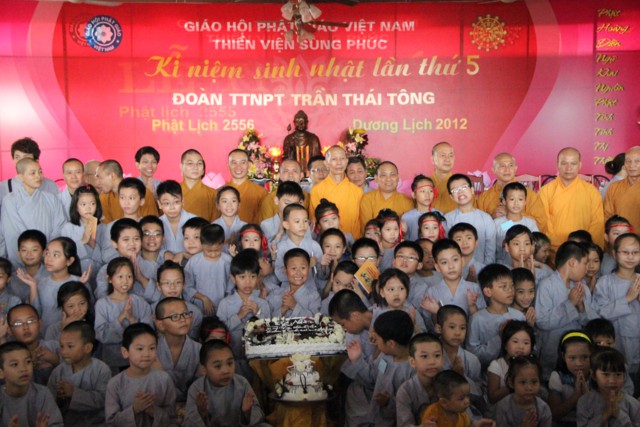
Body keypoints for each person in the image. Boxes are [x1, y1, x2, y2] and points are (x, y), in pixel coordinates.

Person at [535, 241, 597, 378]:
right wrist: (569, 304)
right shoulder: (546, 286)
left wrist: (581, 308)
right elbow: (542, 322)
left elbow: (591, 324)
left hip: (577, 353)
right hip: (552, 351)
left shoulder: (582, 288)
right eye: (585, 263)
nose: (587, 268)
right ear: (572, 262)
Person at [347, 310, 415, 426]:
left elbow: (409, 404)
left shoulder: (412, 368)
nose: (375, 342)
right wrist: (357, 360)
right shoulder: (385, 357)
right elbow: (371, 378)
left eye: (377, 339)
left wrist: (388, 402)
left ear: (391, 343)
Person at [104, 323, 178, 426]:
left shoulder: (164, 379)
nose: (146, 354)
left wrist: (153, 411)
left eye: (152, 348)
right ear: (125, 352)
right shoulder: (115, 383)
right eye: (140, 349)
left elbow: (172, 418)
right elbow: (111, 423)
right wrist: (134, 409)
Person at [183, 339, 268, 426]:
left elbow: (258, 414)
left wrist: (247, 413)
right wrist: (202, 414)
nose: (226, 370)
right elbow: (189, 422)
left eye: (230, 363)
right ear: (204, 369)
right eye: (218, 366)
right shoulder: (197, 388)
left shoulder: (242, 383)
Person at [215, 249, 270, 379]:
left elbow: (269, 332)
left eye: (252, 277)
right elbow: (219, 333)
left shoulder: (262, 304)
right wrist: (238, 316)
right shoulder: (225, 304)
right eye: (242, 277)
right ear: (233, 278)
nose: (248, 282)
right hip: (232, 359)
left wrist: (258, 314)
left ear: (258, 277)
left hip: (258, 360)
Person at [593, 233, 640, 381]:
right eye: (625, 252)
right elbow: (599, 314)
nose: (630, 256)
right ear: (614, 254)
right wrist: (627, 299)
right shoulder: (605, 282)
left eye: (635, 252)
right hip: (614, 345)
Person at [1, 158, 66, 264]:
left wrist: (46, 250)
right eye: (33, 173)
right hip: (21, 257)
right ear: (21, 177)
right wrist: (32, 249)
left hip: (47, 256)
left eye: (40, 172)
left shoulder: (51, 198)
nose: (38, 176)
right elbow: (13, 230)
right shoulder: (10, 200)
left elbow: (59, 226)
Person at [47, 321, 111, 426]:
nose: (64, 351)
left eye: (70, 346)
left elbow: (103, 399)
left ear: (87, 348)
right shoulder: (58, 372)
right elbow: (50, 403)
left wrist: (74, 393)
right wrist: (60, 398)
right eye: (62, 346)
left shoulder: (102, 370)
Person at [94, 257, 153, 371]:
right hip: (111, 361)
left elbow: (148, 333)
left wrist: (132, 319)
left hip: (138, 360)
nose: (125, 281)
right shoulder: (102, 304)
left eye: (129, 276)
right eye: (120, 277)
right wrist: (121, 317)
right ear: (109, 279)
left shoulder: (140, 302)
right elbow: (101, 335)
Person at [538, 147, 604, 249]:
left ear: (580, 165)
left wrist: (585, 248)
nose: (568, 168)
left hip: (584, 250)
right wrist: (558, 248)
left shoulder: (591, 191)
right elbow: (543, 223)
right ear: (557, 165)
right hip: (554, 251)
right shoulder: (545, 191)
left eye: (573, 163)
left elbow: (597, 224)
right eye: (564, 163)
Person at [328, 289, 376, 427]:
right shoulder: (353, 332)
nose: (344, 329)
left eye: (343, 324)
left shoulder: (384, 326)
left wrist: (358, 361)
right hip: (360, 391)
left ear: (355, 316)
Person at [467, 264, 525, 368]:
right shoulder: (478, 319)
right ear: (488, 291)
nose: (510, 290)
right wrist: (499, 337)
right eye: (504, 286)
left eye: (512, 285)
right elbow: (473, 355)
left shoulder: (519, 316)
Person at [476, 152, 547, 231]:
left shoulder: (529, 194)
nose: (507, 170)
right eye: (502, 166)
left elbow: (541, 223)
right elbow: (478, 227)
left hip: (522, 237)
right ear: (493, 170)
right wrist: (491, 217)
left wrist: (513, 214)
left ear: (515, 169)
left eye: (510, 165)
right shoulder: (484, 198)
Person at [0, 341, 63, 427]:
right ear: (1, 372)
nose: (23, 369)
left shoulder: (42, 394)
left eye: (28, 361)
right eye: (15, 364)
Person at [421, 239, 486, 318]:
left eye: (455, 260)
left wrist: (472, 307)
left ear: (462, 261)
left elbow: (482, 320)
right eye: (444, 262)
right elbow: (429, 322)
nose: (451, 266)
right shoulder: (431, 292)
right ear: (437, 267)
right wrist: (436, 312)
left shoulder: (474, 288)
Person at [153, 297, 201, 403]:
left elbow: (201, 388)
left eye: (185, 314)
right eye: (174, 316)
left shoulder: (200, 350)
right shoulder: (152, 351)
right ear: (160, 324)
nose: (183, 319)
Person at [576, 347, 640, 426]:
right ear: (593, 375)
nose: (612, 380)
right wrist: (603, 417)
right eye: (606, 374)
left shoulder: (633, 404)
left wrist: (620, 415)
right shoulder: (585, 402)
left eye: (618, 374)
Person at [310, 145, 363, 239]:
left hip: (352, 241)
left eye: (342, 158)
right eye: (334, 159)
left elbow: (360, 221)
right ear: (326, 163)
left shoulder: (357, 191)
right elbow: (314, 221)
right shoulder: (317, 190)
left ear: (346, 161)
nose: (339, 163)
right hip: (327, 241)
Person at [445, 174, 497, 264]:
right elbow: (447, 249)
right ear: (451, 197)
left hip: (483, 269)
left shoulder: (486, 218)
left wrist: (484, 269)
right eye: (455, 190)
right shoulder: (448, 219)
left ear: (472, 190)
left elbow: (490, 251)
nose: (460, 192)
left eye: (464, 187)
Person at [434, 305, 482, 403]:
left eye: (462, 328)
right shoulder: (430, 357)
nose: (457, 333)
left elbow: (479, 393)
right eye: (452, 327)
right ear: (439, 328)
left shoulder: (472, 360)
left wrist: (462, 377)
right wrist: (453, 378)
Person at [396, 332, 444, 426]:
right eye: (424, 356)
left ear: (443, 358)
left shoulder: (450, 383)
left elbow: (465, 415)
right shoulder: (405, 391)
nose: (432, 362)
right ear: (412, 361)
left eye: (437, 355)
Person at [184, 224, 233, 316]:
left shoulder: (227, 261)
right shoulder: (194, 261)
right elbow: (187, 286)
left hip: (222, 305)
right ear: (202, 244)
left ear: (222, 244)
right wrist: (204, 298)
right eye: (209, 251)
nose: (213, 254)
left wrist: (225, 302)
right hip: (199, 304)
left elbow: (231, 286)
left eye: (217, 250)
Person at [6, 303, 59, 385]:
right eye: (18, 324)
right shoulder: (7, 355)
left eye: (30, 321)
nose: (25, 327)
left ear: (40, 324)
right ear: (9, 330)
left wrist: (55, 360)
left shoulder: (54, 346)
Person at [0, 137, 60, 209]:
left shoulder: (50, 185)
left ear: (36, 161)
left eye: (25, 157)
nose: (20, 161)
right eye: (17, 157)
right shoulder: (3, 187)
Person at [548, 331, 592, 424]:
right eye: (572, 358)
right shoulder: (557, 377)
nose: (579, 363)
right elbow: (554, 415)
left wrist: (587, 395)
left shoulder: (597, 376)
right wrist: (576, 395)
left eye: (584, 357)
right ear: (563, 357)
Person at [487, 320, 535, 406]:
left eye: (526, 343)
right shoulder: (497, 365)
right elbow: (492, 398)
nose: (521, 346)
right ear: (505, 345)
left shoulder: (533, 366)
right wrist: (513, 385)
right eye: (515, 341)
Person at [495, 356, 552, 427]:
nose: (529, 388)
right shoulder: (503, 407)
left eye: (534, 382)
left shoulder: (543, 409)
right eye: (523, 382)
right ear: (511, 383)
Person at [152, 260, 203, 340]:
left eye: (178, 282)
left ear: (184, 284)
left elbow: (193, 342)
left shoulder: (195, 312)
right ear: (158, 286)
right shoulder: (151, 310)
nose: (172, 287)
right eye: (166, 283)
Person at [60, 185, 103, 275]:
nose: (88, 208)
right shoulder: (67, 228)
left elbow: (106, 256)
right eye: (83, 204)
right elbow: (65, 255)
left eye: (92, 204)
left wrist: (93, 245)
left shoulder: (103, 227)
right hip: (76, 273)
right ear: (76, 207)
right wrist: (83, 241)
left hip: (99, 273)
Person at [359, 161, 414, 231]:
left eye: (392, 175)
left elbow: (408, 229)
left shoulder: (407, 201)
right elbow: (367, 228)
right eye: (383, 175)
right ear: (376, 178)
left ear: (398, 177)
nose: (388, 179)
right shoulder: (368, 198)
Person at [273, 203, 322, 282]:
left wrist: (316, 264)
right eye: (297, 221)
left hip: (310, 287)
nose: (302, 225)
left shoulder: (314, 246)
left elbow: (322, 275)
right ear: (286, 224)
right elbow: (279, 273)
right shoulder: (282, 247)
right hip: (288, 287)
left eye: (305, 221)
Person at [494, 182, 540, 264]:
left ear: (525, 202)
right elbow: (491, 248)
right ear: (504, 201)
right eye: (512, 199)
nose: (516, 203)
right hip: (502, 266)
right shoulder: (496, 224)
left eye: (520, 199)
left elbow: (536, 247)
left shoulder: (531, 224)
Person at [268, 248, 321, 317]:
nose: (298, 272)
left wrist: (294, 306)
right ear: (285, 270)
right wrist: (283, 309)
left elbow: (316, 319)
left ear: (308, 269)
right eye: (293, 268)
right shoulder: (275, 295)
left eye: (303, 268)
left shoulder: (314, 296)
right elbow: (266, 319)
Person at [604, 147, 640, 234]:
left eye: (637, 161)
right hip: (619, 239)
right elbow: (607, 216)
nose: (632, 165)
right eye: (628, 161)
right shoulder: (614, 187)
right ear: (624, 165)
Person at [226, 149, 267, 224]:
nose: (238, 167)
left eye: (243, 162)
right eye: (234, 163)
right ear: (228, 166)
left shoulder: (261, 192)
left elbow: (264, 221)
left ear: (249, 165)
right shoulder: (219, 192)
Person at [157, 180, 196, 255]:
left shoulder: (194, 220)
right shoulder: (157, 223)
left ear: (182, 201)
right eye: (167, 203)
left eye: (176, 202)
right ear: (159, 204)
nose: (172, 208)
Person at [179, 149, 218, 222]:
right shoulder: (172, 192)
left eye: (199, 163)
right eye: (190, 163)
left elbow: (215, 223)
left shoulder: (213, 194)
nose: (195, 167)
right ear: (181, 167)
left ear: (203, 169)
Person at [282, 110, 322, 175]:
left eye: (303, 122)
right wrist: (290, 151)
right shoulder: (289, 139)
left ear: (307, 122)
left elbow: (318, 158)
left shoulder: (313, 139)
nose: (301, 124)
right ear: (294, 123)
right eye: (298, 122)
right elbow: (285, 158)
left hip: (311, 174)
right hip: (294, 174)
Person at [402, 175, 439, 241]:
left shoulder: (439, 215)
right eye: (423, 191)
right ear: (414, 195)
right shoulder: (407, 217)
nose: (427, 195)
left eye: (430, 191)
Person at [430, 141, 457, 213]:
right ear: (433, 160)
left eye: (451, 155)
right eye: (443, 155)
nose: (447, 159)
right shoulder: (424, 184)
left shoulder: (460, 185)